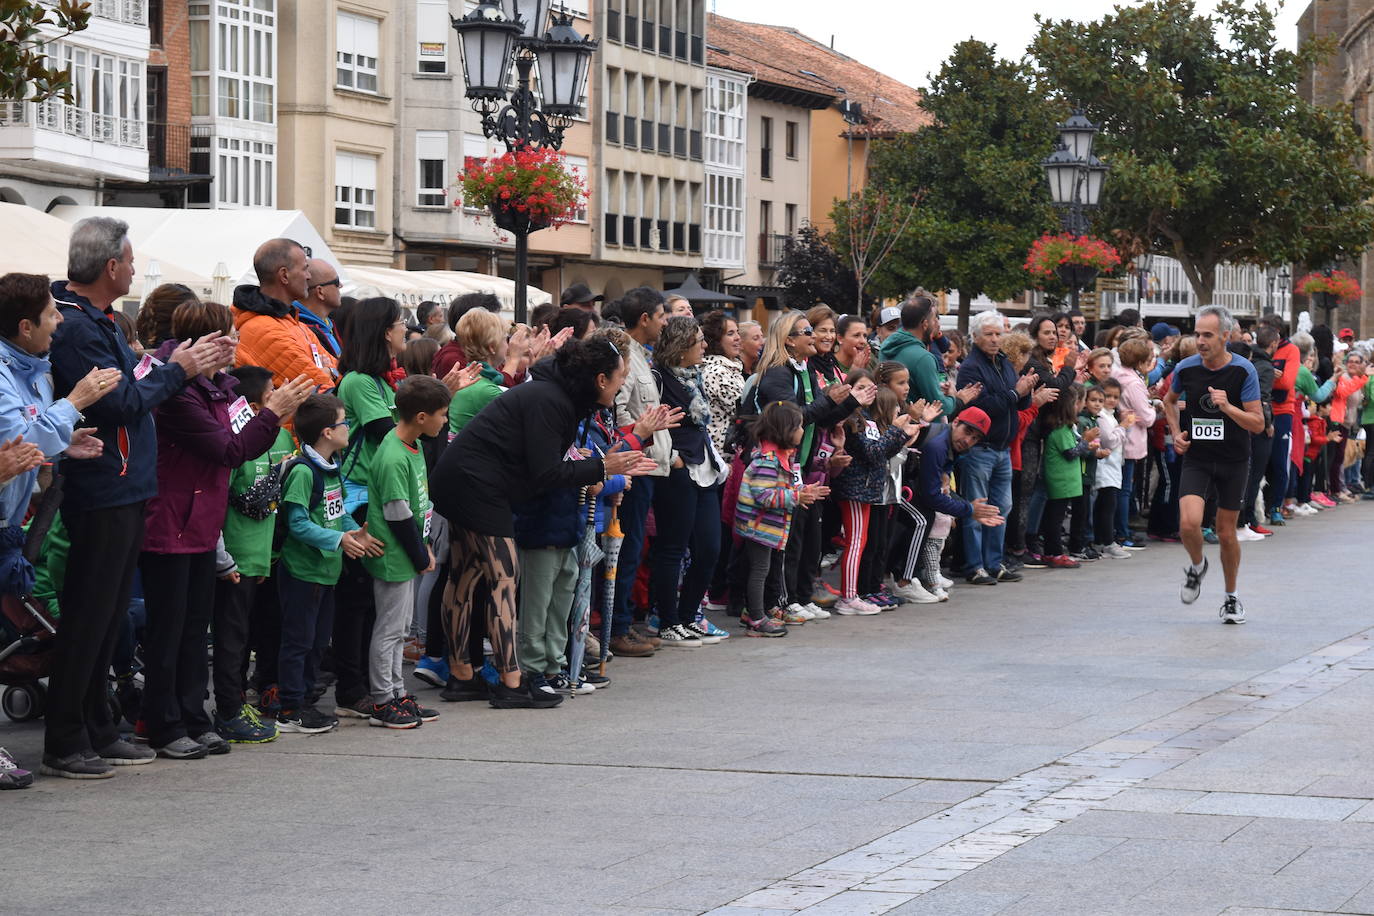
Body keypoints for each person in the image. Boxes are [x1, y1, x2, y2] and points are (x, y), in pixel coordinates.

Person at [42, 217, 232, 780]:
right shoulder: (77, 328)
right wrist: (177, 371)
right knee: (89, 616)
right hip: (102, 488)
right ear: (110, 267)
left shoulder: (95, 321)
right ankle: (67, 737)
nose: (132, 267)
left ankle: (99, 728)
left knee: (107, 620)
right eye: (128, 260)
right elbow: (120, 404)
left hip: (125, 486)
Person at [430, 337, 660, 707]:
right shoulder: (550, 400)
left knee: (466, 574)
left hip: (465, 480)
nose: (622, 387)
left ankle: (462, 677)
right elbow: (546, 472)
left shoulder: (555, 396)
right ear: (600, 379)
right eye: (620, 379)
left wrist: (596, 463)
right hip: (476, 485)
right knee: (502, 579)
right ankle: (512, 683)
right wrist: (602, 466)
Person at [139, 301, 312, 761]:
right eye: (229, 336)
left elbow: (236, 446)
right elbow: (230, 451)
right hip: (170, 523)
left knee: (197, 630)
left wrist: (268, 415)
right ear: (207, 342)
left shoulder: (220, 389)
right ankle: (164, 723)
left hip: (201, 524)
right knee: (170, 631)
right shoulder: (179, 393)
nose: (237, 344)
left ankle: (195, 717)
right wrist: (272, 413)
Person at [0, 273, 116, 785]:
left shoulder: (34, 368)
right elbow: (20, 437)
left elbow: (28, 443)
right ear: (25, 326)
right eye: (51, 313)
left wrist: (62, 443)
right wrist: (76, 402)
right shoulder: (5, 374)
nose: (61, 319)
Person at [276, 394, 383, 734]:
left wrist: (355, 532)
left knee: (319, 642)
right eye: (343, 423)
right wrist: (338, 540)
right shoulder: (304, 472)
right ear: (326, 432)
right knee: (298, 641)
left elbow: (336, 515)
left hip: (326, 572)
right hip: (302, 572)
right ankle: (291, 707)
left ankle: (306, 700)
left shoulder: (332, 466)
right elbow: (298, 523)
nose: (348, 428)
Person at [750, 311, 867, 614]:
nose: (814, 337)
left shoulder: (801, 369)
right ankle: (783, 602)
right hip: (779, 467)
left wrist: (851, 402)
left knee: (808, 539)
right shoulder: (778, 373)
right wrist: (830, 399)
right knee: (788, 541)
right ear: (789, 341)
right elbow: (793, 419)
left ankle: (802, 596)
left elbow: (820, 419)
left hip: (803, 466)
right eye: (807, 332)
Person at [213, 366, 299, 745]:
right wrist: (224, 559)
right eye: (273, 390)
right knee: (232, 639)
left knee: (255, 630)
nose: (280, 394)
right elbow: (220, 503)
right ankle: (229, 709)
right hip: (233, 558)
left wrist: (266, 558)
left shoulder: (281, 437)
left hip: (263, 556)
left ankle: (246, 701)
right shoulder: (234, 442)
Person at [1162, 305, 1264, 623]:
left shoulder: (1243, 371)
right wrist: (1177, 433)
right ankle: (1197, 567)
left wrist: (1228, 406)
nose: (1201, 341)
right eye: (1197, 334)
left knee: (1226, 532)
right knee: (1189, 524)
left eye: (1207, 335)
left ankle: (1231, 598)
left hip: (1233, 459)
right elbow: (1167, 401)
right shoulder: (1186, 367)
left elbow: (1257, 424)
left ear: (1225, 336)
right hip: (1198, 458)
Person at [364, 376, 449, 729]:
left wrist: (425, 545)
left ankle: (398, 693)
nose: (445, 421)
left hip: (411, 550)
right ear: (420, 417)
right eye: (442, 415)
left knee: (400, 630)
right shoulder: (393, 455)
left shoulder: (411, 444)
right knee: (389, 631)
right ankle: (383, 700)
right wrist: (420, 554)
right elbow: (397, 514)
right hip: (395, 556)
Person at [650, 316, 726, 646]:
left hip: (704, 468)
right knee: (673, 546)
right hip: (678, 468)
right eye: (699, 341)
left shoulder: (695, 377)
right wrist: (674, 459)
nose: (705, 345)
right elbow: (654, 422)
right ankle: (667, 621)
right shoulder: (659, 378)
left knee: (709, 547)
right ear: (682, 347)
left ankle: (688, 614)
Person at [605, 287, 671, 658]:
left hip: (644, 465)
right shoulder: (626, 356)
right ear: (644, 318)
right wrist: (638, 441)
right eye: (661, 316)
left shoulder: (643, 356)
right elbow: (616, 410)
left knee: (632, 547)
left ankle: (622, 622)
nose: (665, 323)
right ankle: (617, 628)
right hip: (632, 464)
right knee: (625, 548)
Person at [733, 401, 826, 637]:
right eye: (800, 426)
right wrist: (796, 496)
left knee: (762, 569)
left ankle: (753, 612)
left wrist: (802, 492)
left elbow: (782, 490)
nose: (803, 431)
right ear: (786, 429)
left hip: (767, 527)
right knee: (759, 570)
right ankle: (756, 618)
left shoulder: (782, 456)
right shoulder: (768, 459)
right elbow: (764, 495)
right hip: (758, 527)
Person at [955, 310, 1033, 585]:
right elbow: (978, 409)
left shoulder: (1004, 363)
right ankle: (975, 566)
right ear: (976, 337)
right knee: (978, 509)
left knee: (1002, 507)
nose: (995, 339)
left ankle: (994, 562)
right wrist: (1015, 393)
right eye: (988, 334)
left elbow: (1017, 403)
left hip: (1002, 448)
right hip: (980, 447)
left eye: (998, 334)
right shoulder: (971, 367)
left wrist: (1026, 391)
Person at [232, 239, 337, 390]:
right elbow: (320, 388)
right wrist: (329, 372)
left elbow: (340, 372)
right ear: (284, 275)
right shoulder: (263, 329)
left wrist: (330, 371)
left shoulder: (293, 321)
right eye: (304, 269)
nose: (309, 276)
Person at [1111, 336, 1158, 549]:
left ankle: (1121, 530)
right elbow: (1147, 417)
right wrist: (1154, 409)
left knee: (1121, 488)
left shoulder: (1117, 374)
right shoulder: (1134, 383)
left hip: (1122, 435)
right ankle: (1122, 532)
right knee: (1124, 489)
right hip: (1130, 439)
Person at [880, 295, 954, 417]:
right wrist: (954, 398)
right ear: (925, 324)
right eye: (934, 319)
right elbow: (939, 406)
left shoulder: (886, 346)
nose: (937, 323)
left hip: (890, 421)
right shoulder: (924, 358)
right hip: (917, 428)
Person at [1092, 378, 1132, 559]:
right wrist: (1123, 427)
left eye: (1115, 397)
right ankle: (1107, 542)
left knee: (1106, 505)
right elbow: (1110, 440)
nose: (1111, 400)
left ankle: (1102, 540)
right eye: (1107, 396)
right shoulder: (1102, 416)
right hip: (1104, 468)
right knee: (1108, 505)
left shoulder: (1110, 415)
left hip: (1113, 467)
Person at [297, 260, 344, 362]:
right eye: (336, 282)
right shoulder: (299, 329)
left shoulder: (328, 325)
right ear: (320, 292)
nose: (341, 285)